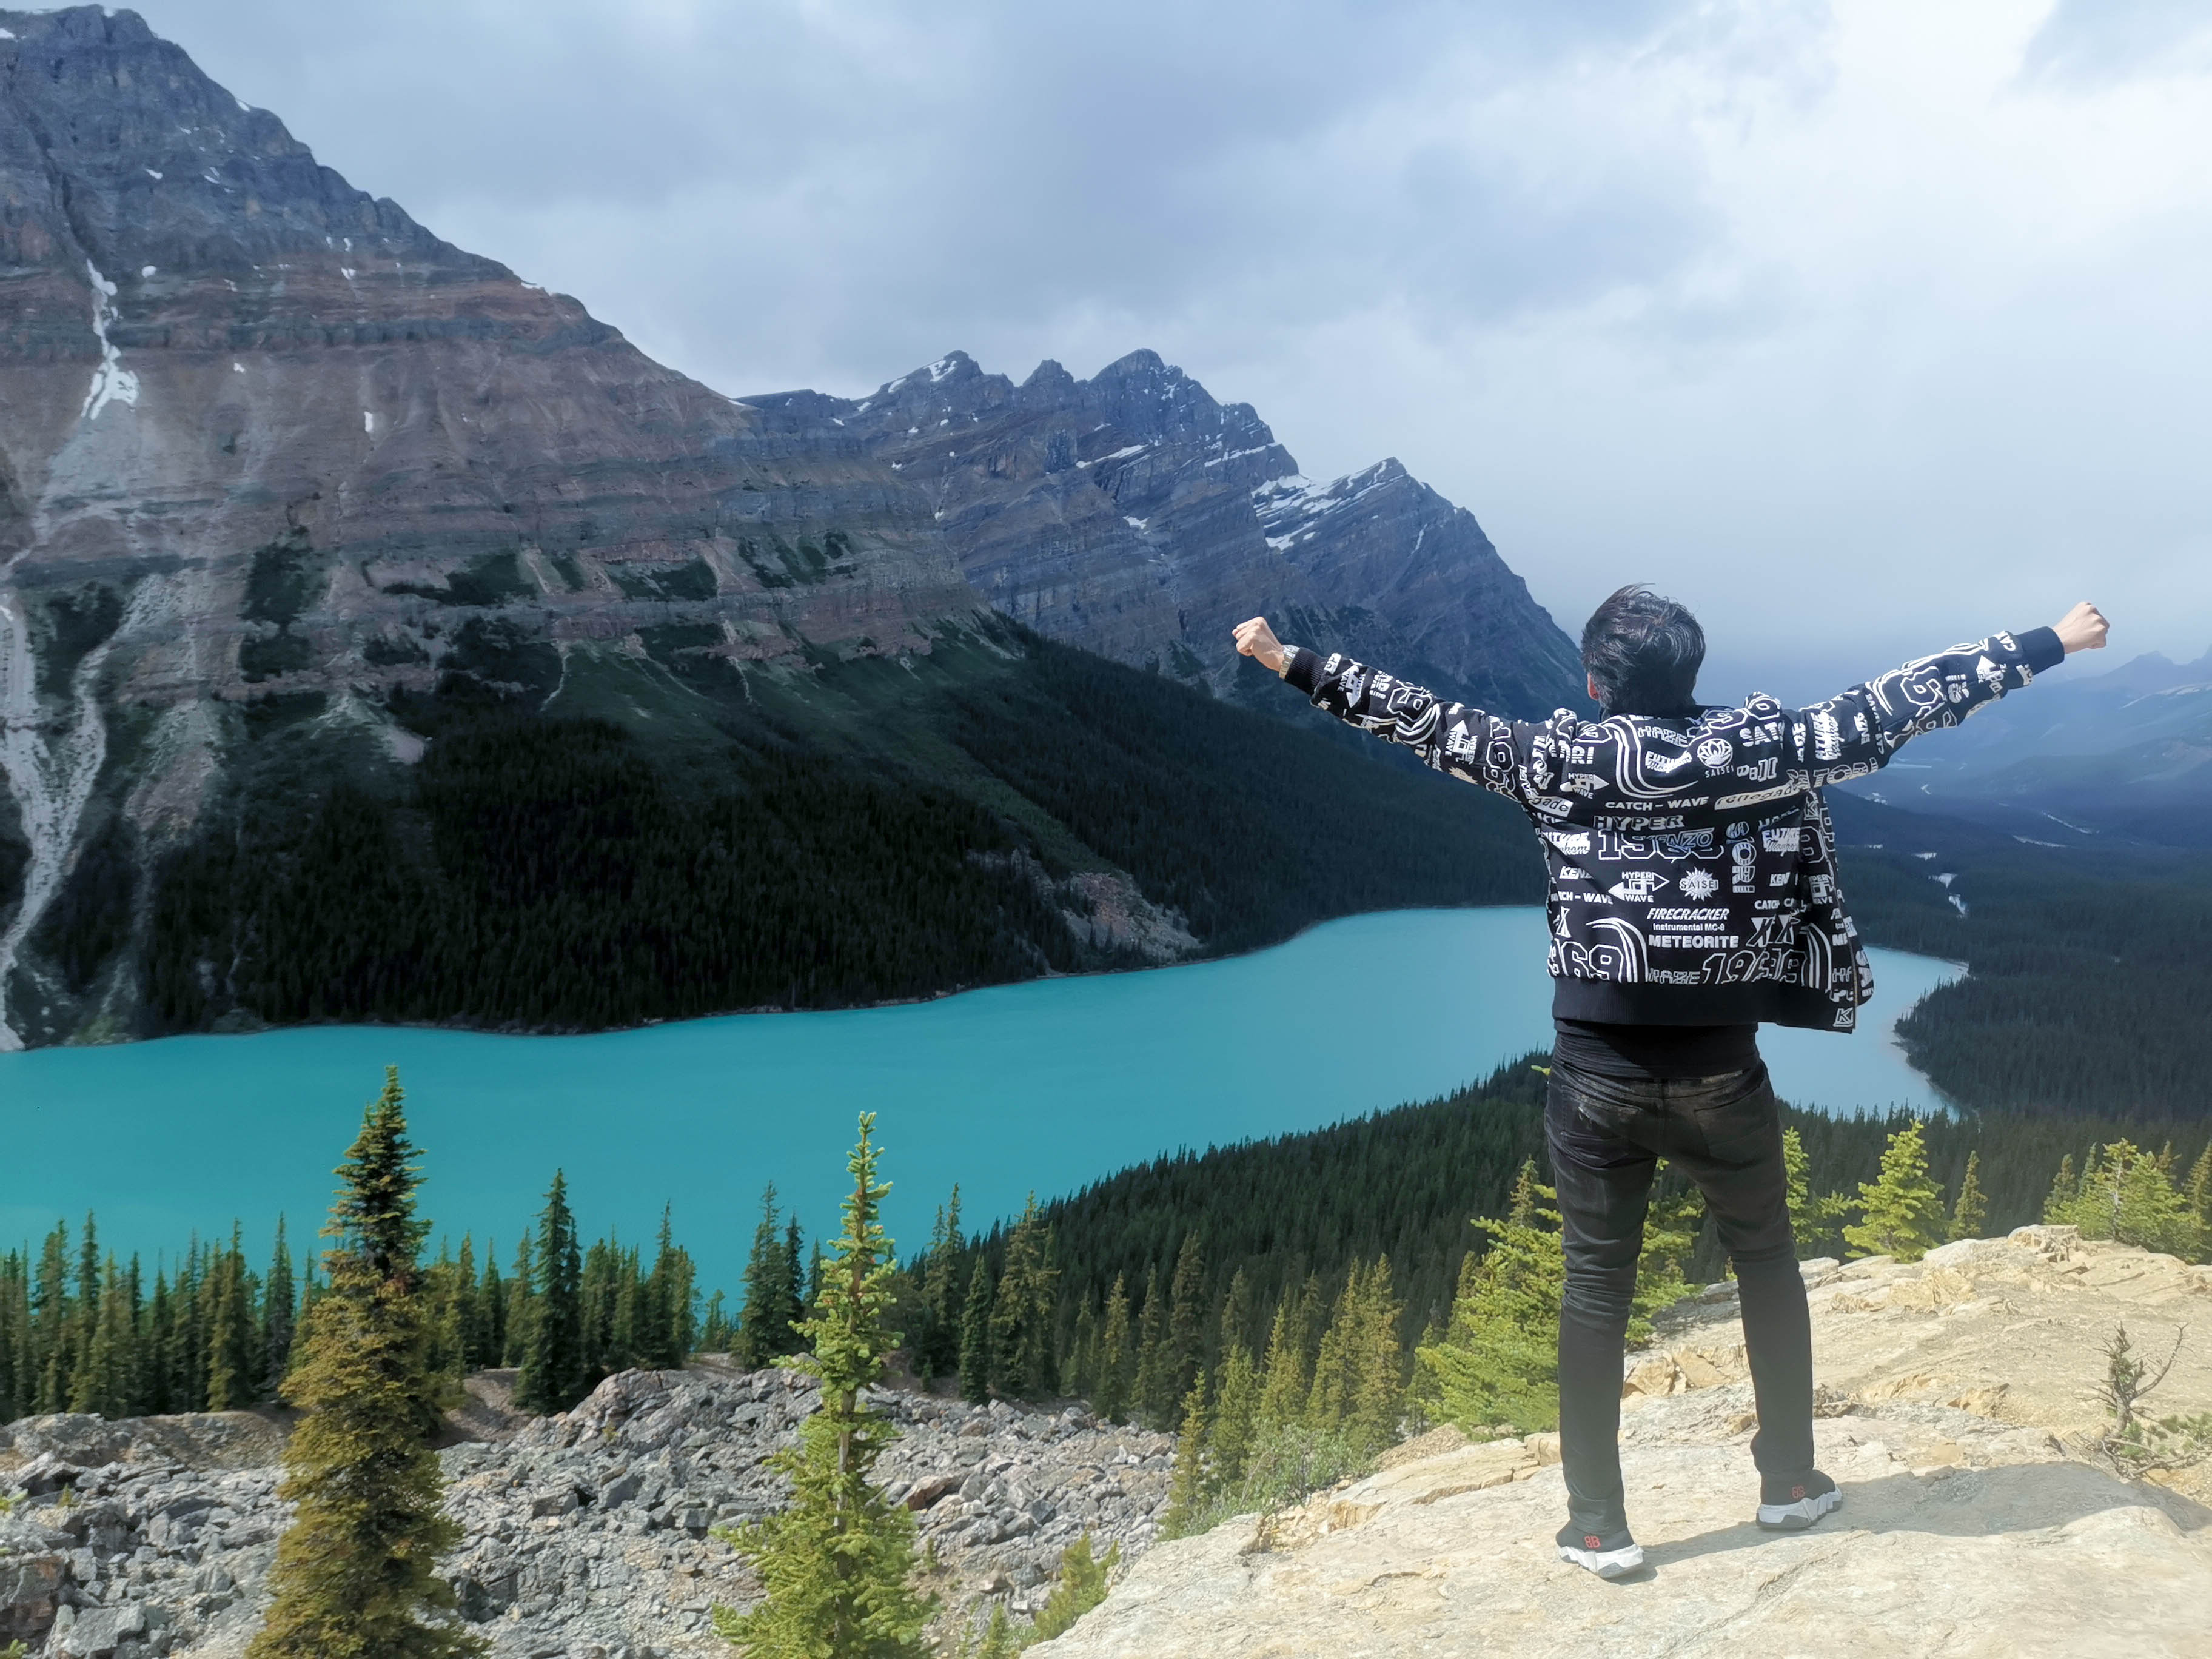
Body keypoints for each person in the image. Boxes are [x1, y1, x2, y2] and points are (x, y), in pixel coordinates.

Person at [1233, 590, 2108, 1580]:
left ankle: (1597, 1528)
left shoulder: (1554, 757)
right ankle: (1788, 1485)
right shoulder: (1764, 749)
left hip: (1593, 1072)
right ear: (1691, 676)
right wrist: (2052, 641)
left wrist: (1287, 660)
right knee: (1767, 1261)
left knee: (1596, 1286)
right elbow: (1901, 702)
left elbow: (1420, 716)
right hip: (1721, 1072)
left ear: (1597, 683)